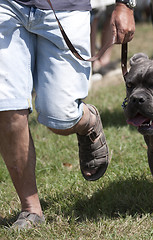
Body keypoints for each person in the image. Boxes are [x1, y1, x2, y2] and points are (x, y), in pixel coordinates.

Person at [0, 0, 135, 229]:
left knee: (59, 116)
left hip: (67, 8)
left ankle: (87, 121)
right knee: (7, 106)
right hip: (7, 6)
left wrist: (125, 5)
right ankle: (31, 209)